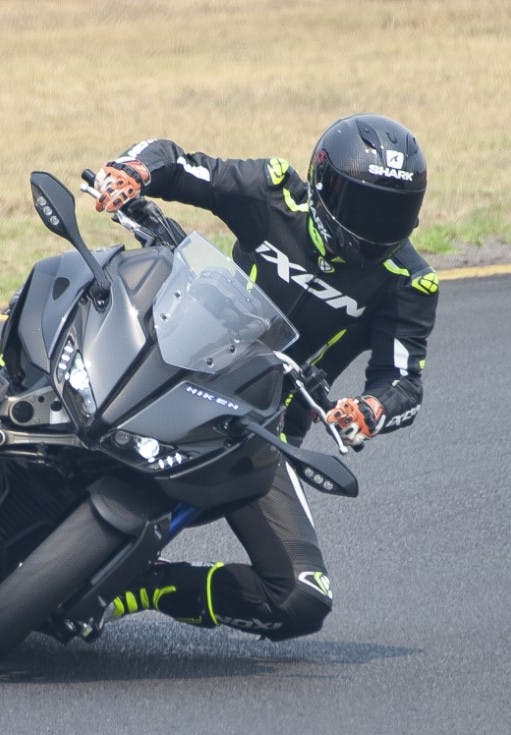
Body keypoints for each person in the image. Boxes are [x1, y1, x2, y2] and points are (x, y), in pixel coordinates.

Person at [94, 114, 438, 639]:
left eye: (393, 212)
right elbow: (182, 163)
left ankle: (147, 586)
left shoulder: (408, 282)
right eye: (363, 206)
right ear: (324, 186)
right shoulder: (275, 193)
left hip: (258, 434)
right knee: (89, 293)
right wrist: (136, 170)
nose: (374, 227)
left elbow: (403, 381)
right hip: (172, 363)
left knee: (302, 597)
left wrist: (372, 410)